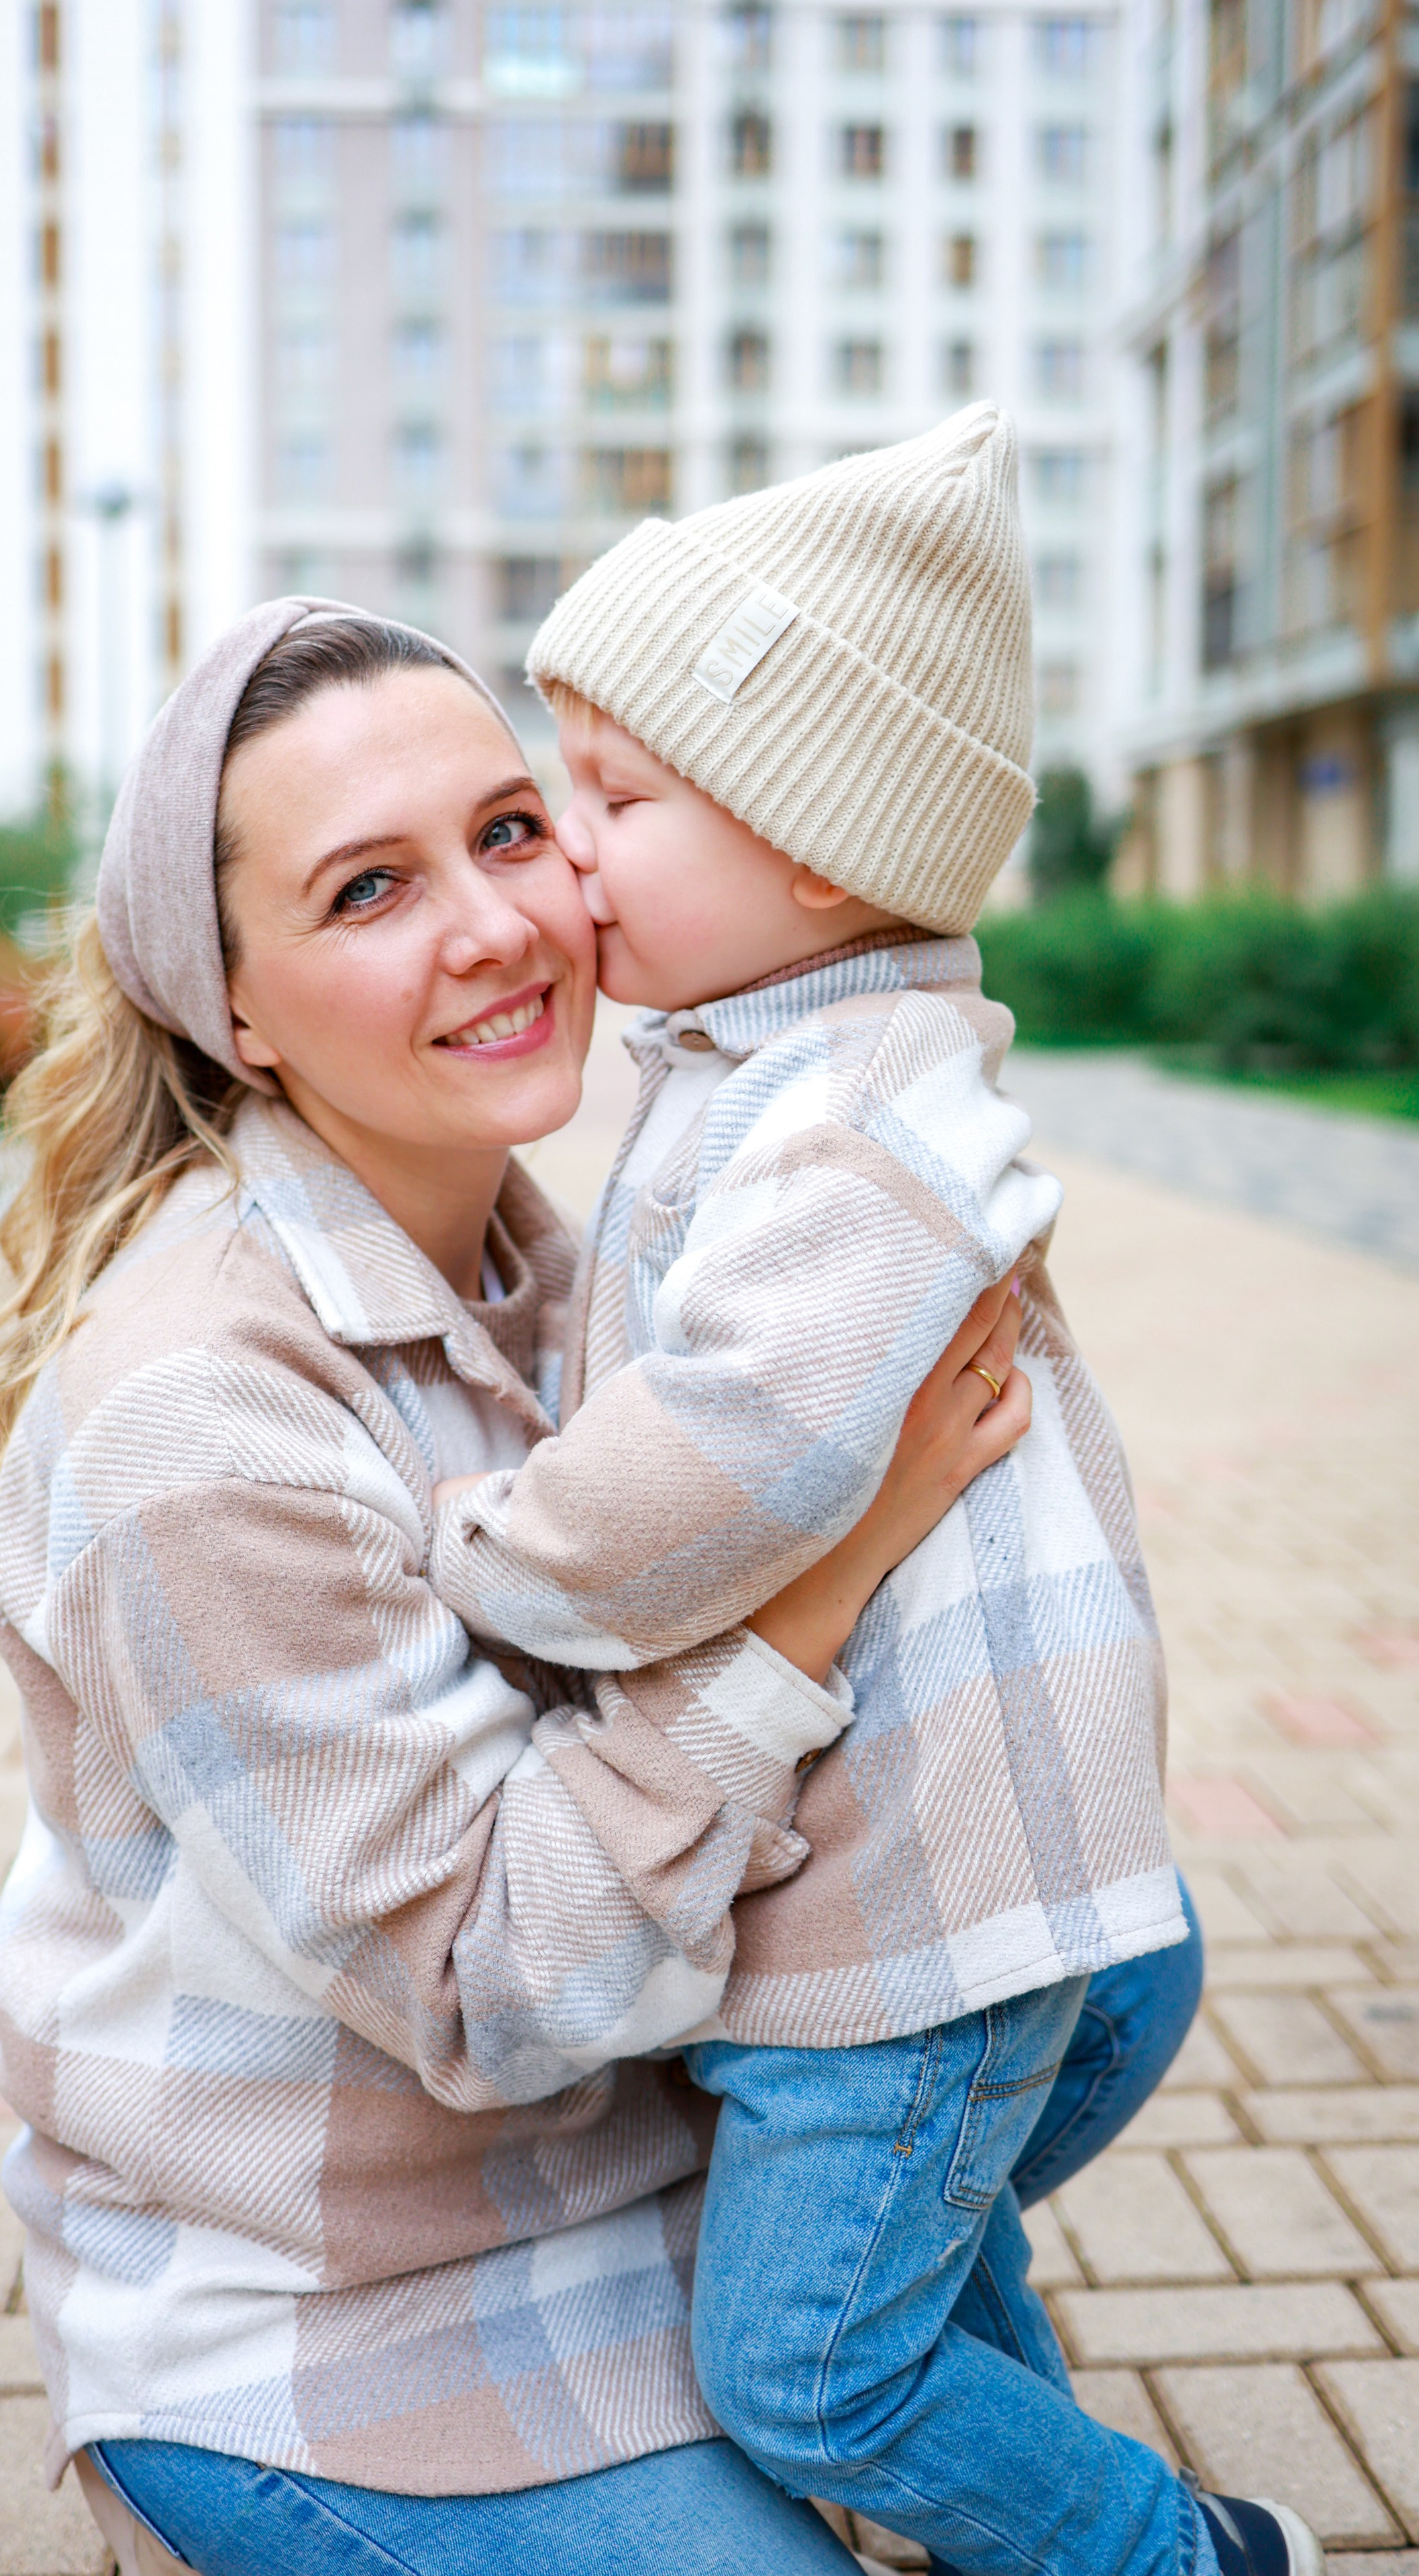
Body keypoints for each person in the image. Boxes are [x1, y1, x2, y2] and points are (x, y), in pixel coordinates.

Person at [0, 600, 1041, 2576]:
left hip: (627, 2188)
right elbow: (493, 1990)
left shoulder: (553, 1259)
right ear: (240, 1007)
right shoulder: (200, 1415)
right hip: (344, 2331)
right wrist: (838, 1555)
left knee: (1092, 1974)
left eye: (512, 830)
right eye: (371, 888)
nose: (496, 927)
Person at [423, 410, 1318, 2576]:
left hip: (919, 1917)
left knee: (814, 2371)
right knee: (903, 2291)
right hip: (948, 1878)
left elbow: (720, 1457)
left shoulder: (849, 1128)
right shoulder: (792, 1062)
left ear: (820, 847)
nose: (568, 856)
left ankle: (1186, 2563)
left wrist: (488, 1558)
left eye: (614, 800)